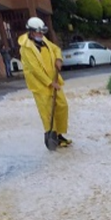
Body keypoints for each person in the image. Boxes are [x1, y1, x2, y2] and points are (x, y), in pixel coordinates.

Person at [18, 17, 72, 148]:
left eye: (42, 32)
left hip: (54, 79)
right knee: (47, 112)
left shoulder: (44, 41)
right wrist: (49, 83)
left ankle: (59, 134)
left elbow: (56, 49)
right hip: (40, 85)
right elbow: (35, 70)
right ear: (31, 32)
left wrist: (58, 59)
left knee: (62, 106)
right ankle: (53, 136)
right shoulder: (26, 48)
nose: (41, 34)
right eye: (38, 32)